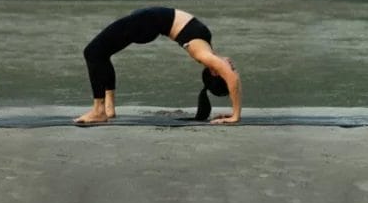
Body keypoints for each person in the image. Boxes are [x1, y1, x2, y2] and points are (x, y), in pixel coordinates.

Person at [74, 7, 242, 124]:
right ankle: (108, 108)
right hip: (146, 21)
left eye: (230, 67)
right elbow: (231, 77)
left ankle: (99, 111)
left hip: (146, 23)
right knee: (102, 54)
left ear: (215, 72)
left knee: (92, 52)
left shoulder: (203, 55)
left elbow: (232, 79)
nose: (232, 65)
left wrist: (235, 115)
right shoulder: (208, 48)